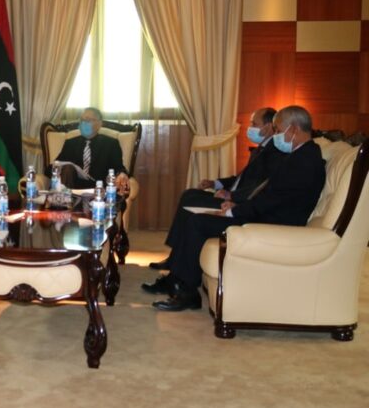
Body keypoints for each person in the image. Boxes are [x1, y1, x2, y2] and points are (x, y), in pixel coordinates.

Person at [144, 105, 326, 311]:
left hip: (272, 225)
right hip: (265, 215)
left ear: (293, 129)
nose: (276, 135)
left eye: (278, 130)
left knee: (197, 222)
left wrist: (233, 211)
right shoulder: (302, 155)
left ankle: (186, 292)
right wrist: (235, 207)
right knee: (197, 216)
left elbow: (271, 201)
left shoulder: (304, 162)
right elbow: (269, 197)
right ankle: (177, 282)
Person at [146, 107, 284, 273]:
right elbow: (240, 178)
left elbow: (258, 187)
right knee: (189, 194)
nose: (250, 128)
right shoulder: (261, 149)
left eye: (254, 124)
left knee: (191, 200)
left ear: (268, 127)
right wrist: (215, 183)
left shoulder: (275, 152)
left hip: (238, 203)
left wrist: (231, 195)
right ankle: (175, 256)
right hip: (233, 196)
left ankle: (176, 260)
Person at [48, 107, 130, 191]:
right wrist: (61, 168)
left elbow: (119, 168)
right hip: (72, 188)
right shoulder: (70, 143)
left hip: (98, 189)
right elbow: (53, 167)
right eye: (82, 120)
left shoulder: (111, 144)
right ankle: (61, 198)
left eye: (87, 120)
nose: (83, 123)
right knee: (68, 168)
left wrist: (122, 174)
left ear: (99, 124)